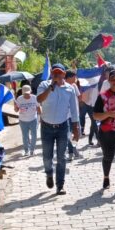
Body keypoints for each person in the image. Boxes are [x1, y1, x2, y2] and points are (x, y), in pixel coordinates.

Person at [36, 63, 80, 195]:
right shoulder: (43, 85)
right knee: (47, 157)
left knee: (62, 157)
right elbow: (39, 99)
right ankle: (49, 174)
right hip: (47, 126)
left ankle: (60, 185)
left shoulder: (70, 89)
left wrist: (76, 126)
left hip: (62, 127)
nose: (56, 75)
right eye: (54, 73)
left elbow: (74, 108)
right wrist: (51, 87)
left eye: (59, 73)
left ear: (63, 74)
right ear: (51, 73)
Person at [14, 85, 41, 156]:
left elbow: (38, 107)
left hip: (33, 119)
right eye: (25, 94)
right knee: (25, 136)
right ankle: (26, 150)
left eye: (28, 93)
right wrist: (15, 106)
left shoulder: (34, 98)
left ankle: (32, 150)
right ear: (22, 93)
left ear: (31, 91)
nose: (27, 95)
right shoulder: (19, 99)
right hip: (23, 120)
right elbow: (16, 110)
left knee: (34, 135)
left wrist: (41, 117)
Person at [65, 70, 82, 161]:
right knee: (68, 134)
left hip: (75, 114)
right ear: (68, 77)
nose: (75, 79)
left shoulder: (74, 86)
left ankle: (74, 147)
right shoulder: (62, 87)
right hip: (66, 115)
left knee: (77, 133)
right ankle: (71, 152)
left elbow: (79, 97)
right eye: (74, 77)